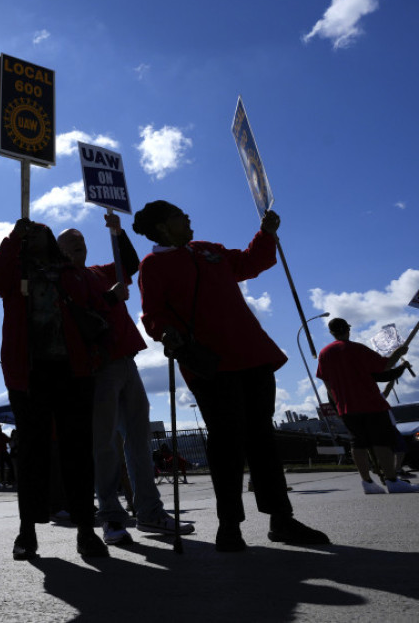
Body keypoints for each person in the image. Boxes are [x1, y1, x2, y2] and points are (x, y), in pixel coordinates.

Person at [132, 200, 329, 552]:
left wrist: (266, 234)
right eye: (178, 215)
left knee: (262, 438)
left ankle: (281, 519)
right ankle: (229, 525)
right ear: (162, 227)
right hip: (210, 363)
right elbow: (152, 314)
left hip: (252, 354)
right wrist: (165, 333)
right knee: (226, 444)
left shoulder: (208, 249)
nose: (187, 217)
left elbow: (251, 263)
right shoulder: (153, 265)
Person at [58, 217, 193, 546]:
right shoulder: (61, 280)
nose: (78, 241)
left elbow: (129, 264)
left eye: (81, 238)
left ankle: (149, 512)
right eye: (70, 240)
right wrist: (109, 299)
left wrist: (117, 232)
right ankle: (111, 518)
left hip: (125, 361)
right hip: (97, 367)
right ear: (59, 250)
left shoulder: (98, 272)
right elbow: (72, 318)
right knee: (104, 445)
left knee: (138, 441)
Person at [0, 218, 109, 561]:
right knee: (31, 454)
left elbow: (97, 307)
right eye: (29, 231)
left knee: (77, 451)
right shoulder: (15, 269)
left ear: (52, 239)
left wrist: (96, 355)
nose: (34, 234)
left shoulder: (72, 272)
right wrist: (12, 239)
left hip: (73, 370)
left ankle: (86, 529)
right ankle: (27, 530)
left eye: (41, 230)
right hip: (29, 373)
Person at [316, 317, 416, 494]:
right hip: (370, 403)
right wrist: (399, 353)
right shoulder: (357, 349)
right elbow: (385, 366)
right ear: (348, 330)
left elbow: (327, 384)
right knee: (381, 442)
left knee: (357, 444)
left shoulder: (324, 354)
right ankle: (392, 481)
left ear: (331, 333)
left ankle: (367, 483)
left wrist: (337, 405)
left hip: (346, 407)